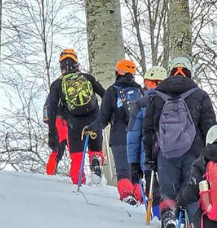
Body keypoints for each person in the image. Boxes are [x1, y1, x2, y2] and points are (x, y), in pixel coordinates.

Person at [142, 56, 216, 228]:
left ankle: (169, 215)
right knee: (190, 190)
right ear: (190, 73)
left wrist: (150, 158)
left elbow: (148, 130)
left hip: (165, 152)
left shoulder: (156, 96)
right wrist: (210, 157)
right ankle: (192, 225)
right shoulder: (200, 95)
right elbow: (210, 129)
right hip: (194, 152)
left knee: (168, 190)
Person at [83, 59, 143, 204]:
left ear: (118, 72)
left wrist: (90, 128)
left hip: (119, 136)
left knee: (123, 171)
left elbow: (103, 119)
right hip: (139, 136)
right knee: (136, 173)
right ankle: (140, 198)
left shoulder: (111, 91)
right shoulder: (140, 91)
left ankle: (127, 195)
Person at [45, 48, 106, 185]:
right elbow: (106, 95)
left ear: (61, 66)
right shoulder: (88, 78)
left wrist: (52, 132)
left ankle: (79, 183)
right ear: (76, 63)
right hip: (94, 119)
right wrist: (104, 116)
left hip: (74, 123)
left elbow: (51, 110)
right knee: (95, 150)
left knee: (77, 158)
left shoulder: (57, 84)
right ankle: (95, 160)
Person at [127, 66, 168, 219]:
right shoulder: (176, 101)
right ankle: (171, 217)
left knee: (153, 189)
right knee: (170, 189)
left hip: (149, 154)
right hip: (173, 155)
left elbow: (133, 135)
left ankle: (157, 217)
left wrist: (133, 163)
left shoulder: (142, 102)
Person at [43, 94, 68, 176]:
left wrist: (49, 121)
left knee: (57, 150)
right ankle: (79, 178)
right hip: (66, 121)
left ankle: (49, 173)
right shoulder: (66, 88)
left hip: (55, 122)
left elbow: (46, 110)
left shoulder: (54, 90)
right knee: (76, 152)